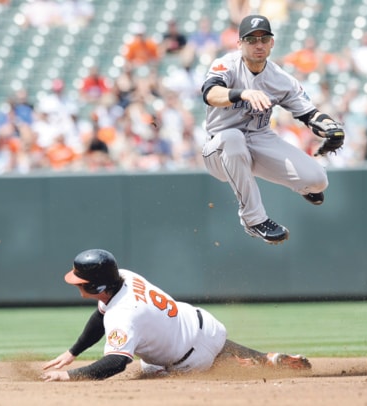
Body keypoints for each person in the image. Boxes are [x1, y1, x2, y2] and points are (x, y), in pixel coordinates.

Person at [41, 249, 311, 381]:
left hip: (190, 359)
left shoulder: (122, 315)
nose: (75, 283)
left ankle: (246, 365)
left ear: (96, 286)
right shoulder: (124, 276)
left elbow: (116, 362)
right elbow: (100, 316)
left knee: (148, 368)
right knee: (203, 342)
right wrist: (73, 351)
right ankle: (267, 359)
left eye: (79, 280)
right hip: (203, 323)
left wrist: (70, 375)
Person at [201, 15, 345, 245]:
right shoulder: (226, 64)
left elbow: (309, 114)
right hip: (219, 146)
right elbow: (210, 94)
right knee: (232, 138)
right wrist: (242, 93)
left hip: (259, 139)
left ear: (272, 43)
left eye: (264, 38)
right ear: (240, 43)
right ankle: (253, 219)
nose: (258, 44)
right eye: (251, 39)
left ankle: (304, 186)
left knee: (318, 180)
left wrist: (329, 127)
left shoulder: (280, 78)